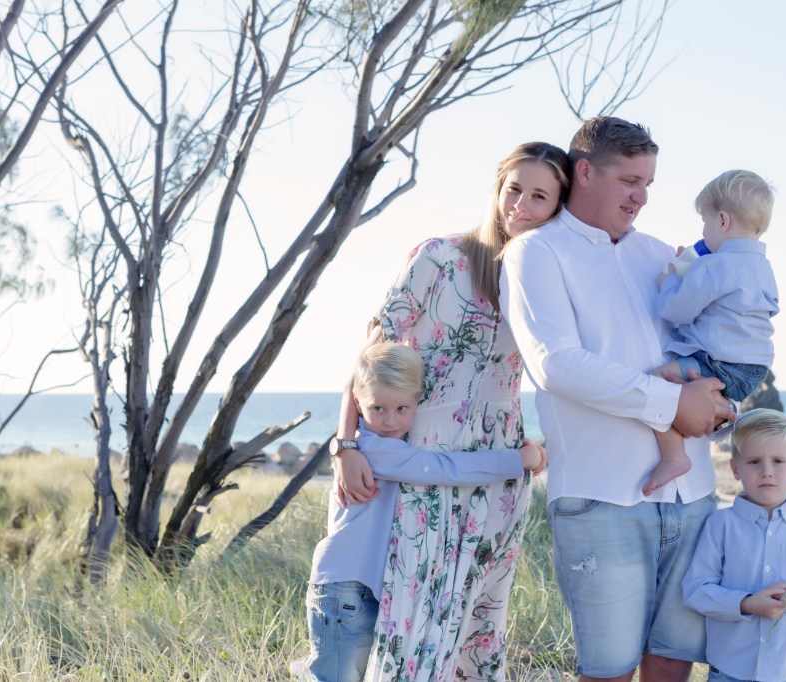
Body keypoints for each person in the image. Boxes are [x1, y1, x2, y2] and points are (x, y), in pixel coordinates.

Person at [500, 116, 734, 682]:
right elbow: (557, 364)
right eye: (630, 181)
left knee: (673, 662)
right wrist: (671, 405)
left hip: (694, 495)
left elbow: (710, 341)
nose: (641, 197)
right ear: (585, 172)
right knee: (608, 672)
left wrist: (719, 404)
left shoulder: (660, 254)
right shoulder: (536, 253)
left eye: (648, 183)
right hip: (602, 496)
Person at [336, 141, 572, 681]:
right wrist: (345, 445)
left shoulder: (543, 279)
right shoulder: (440, 257)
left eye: (540, 196)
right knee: (415, 628)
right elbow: (368, 359)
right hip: (427, 465)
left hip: (501, 470)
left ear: (558, 207)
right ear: (497, 188)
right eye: (514, 189)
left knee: (481, 627)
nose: (521, 205)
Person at [295, 342, 545, 682]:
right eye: (377, 408)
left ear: (418, 401)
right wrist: (517, 461)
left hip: (367, 589)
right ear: (357, 403)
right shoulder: (372, 448)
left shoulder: (394, 442)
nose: (390, 420)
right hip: (345, 590)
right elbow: (446, 468)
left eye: (402, 408)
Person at [682, 408, 786, 682]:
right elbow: (695, 590)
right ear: (735, 469)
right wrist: (747, 604)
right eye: (754, 462)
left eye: (778, 461)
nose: (766, 472)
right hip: (730, 670)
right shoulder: (720, 525)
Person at [643, 170, 780, 496]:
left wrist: (671, 280)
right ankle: (722, 416)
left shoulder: (715, 266)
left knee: (656, 381)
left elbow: (674, 310)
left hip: (718, 362)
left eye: (704, 222)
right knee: (693, 386)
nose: (703, 233)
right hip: (752, 370)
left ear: (722, 221)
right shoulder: (764, 268)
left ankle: (674, 456)